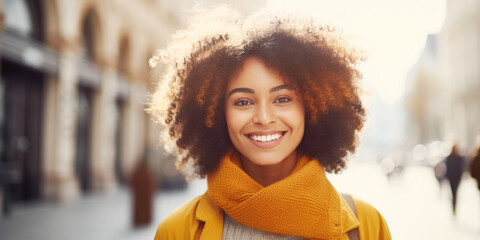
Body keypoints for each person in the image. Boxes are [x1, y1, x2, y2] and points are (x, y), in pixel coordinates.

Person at [149, 6, 391, 239]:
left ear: (312, 107)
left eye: (283, 99)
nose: (264, 118)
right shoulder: (177, 232)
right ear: (217, 113)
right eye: (243, 102)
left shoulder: (367, 226)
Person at [444, 144, 467, 215]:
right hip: (451, 178)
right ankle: (453, 207)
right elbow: (446, 168)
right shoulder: (448, 157)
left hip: (457, 178)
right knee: (453, 193)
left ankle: (454, 206)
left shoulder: (459, 157)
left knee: (455, 193)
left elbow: (462, 167)